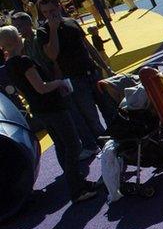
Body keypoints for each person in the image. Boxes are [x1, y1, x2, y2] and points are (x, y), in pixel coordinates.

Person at [0, 26, 98, 203]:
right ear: (16, 39)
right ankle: (77, 187)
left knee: (61, 144)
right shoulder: (23, 62)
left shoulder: (9, 65)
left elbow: (25, 90)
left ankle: (75, 182)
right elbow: (41, 87)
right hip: (52, 107)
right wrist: (58, 83)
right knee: (72, 144)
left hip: (39, 109)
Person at [36, 0, 117, 152]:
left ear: (59, 6)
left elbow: (87, 46)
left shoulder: (71, 22)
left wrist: (105, 67)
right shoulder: (43, 31)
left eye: (52, 9)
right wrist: (53, 30)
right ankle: (109, 151)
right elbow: (52, 55)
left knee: (110, 109)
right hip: (73, 79)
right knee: (91, 118)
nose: (50, 14)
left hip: (92, 72)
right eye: (45, 12)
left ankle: (122, 143)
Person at [11, 11, 98, 157]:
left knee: (77, 113)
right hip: (49, 84)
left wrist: (58, 80)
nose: (18, 30)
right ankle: (89, 143)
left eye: (19, 25)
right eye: (15, 27)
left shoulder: (39, 37)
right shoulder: (25, 44)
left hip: (56, 81)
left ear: (28, 23)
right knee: (72, 115)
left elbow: (53, 59)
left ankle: (91, 144)